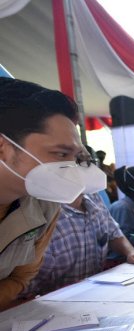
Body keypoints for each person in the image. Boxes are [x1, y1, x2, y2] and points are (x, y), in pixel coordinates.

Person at [0, 78, 89, 310]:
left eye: (76, 158)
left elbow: (21, 278)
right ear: (3, 147)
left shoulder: (45, 205)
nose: (73, 169)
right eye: (60, 154)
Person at [24, 194, 134, 297]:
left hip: (96, 292)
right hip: (55, 301)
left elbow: (112, 232)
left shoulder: (93, 198)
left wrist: (130, 251)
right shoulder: (39, 208)